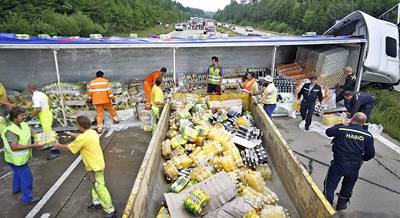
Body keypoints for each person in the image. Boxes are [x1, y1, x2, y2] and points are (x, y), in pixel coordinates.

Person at [54, 116, 116, 218]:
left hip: (94, 166)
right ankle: (97, 202)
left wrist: (57, 145)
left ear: (79, 126)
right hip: (96, 164)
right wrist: (70, 134)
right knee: (94, 185)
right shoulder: (92, 132)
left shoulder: (83, 138)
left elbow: (69, 148)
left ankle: (110, 209)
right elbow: (81, 136)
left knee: (99, 187)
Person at [323, 112, 375, 210]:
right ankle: (341, 205)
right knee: (348, 185)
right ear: (363, 123)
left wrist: (343, 124)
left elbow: (328, 132)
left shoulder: (342, 129)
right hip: (355, 166)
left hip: (339, 163)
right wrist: (362, 159)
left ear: (352, 119)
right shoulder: (367, 135)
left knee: (330, 186)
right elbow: (371, 154)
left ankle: (326, 207)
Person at [1, 107, 43, 205]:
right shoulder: (10, 130)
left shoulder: (22, 124)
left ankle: (16, 189)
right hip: (17, 159)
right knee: (27, 178)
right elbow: (14, 147)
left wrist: (40, 137)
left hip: (13, 159)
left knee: (17, 174)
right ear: (14, 118)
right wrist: (33, 146)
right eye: (22, 116)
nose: (24, 117)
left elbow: (30, 131)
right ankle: (27, 198)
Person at [27, 83, 60, 160]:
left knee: (50, 134)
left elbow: (38, 109)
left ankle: (55, 151)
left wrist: (30, 117)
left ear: (29, 89)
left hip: (44, 116)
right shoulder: (42, 93)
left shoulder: (35, 97)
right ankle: (52, 147)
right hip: (48, 113)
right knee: (49, 133)